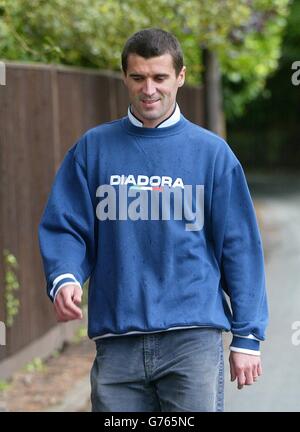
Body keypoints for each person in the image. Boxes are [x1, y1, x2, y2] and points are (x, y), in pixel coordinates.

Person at [38, 28, 268, 412]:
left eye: (160, 77)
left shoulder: (212, 155)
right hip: (118, 340)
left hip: (192, 339)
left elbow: (239, 246)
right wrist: (64, 276)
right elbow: (66, 225)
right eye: (138, 77)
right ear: (125, 78)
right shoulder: (93, 149)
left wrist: (247, 336)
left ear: (180, 76)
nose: (149, 89)